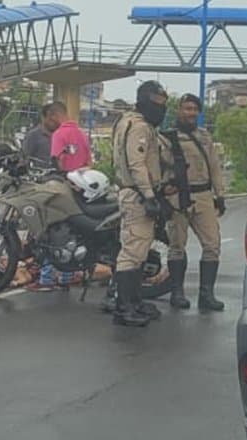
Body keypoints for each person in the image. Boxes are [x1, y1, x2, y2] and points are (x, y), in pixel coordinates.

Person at [158, 93, 227, 313]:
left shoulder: (205, 137)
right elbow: (158, 167)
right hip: (178, 197)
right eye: (186, 108)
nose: (190, 113)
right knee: (177, 245)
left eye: (194, 109)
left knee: (212, 245)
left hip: (203, 195)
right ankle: (177, 292)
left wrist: (220, 195)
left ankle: (207, 294)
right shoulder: (167, 138)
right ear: (179, 110)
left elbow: (215, 167)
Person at [108, 80, 168, 327]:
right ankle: (124, 307)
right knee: (132, 252)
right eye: (157, 103)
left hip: (132, 191)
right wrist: (150, 196)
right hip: (137, 194)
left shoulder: (126, 121)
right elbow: (137, 164)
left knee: (140, 249)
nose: (161, 109)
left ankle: (134, 302)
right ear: (144, 101)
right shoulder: (139, 127)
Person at [44, 102, 92, 173]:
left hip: (66, 180)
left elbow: (56, 161)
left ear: (56, 115)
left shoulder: (58, 134)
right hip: (82, 180)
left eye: (50, 118)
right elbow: (89, 161)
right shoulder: (82, 134)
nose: (49, 122)